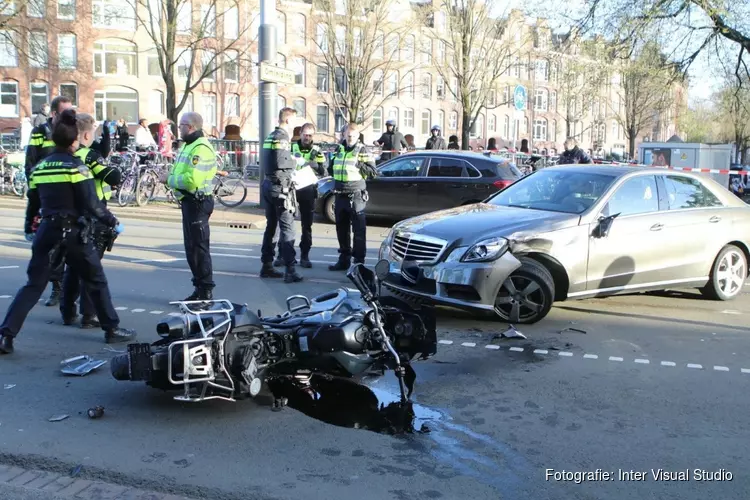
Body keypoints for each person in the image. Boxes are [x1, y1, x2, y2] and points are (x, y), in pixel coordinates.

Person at [0, 109, 136, 355]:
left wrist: (29, 228)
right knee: (95, 279)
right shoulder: (77, 168)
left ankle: (6, 335)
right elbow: (91, 204)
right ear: (75, 141)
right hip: (74, 232)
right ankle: (112, 329)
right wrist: (113, 221)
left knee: (33, 285)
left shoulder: (40, 168)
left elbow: (32, 205)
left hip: (47, 231)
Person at [59, 112, 123, 328]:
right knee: (91, 267)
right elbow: (112, 177)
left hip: (71, 214)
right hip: (94, 214)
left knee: (73, 268)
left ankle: (67, 311)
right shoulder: (88, 155)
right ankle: (89, 315)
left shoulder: (65, 154)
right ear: (85, 135)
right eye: (93, 133)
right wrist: (115, 169)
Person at [161, 112, 217, 301]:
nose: (179, 129)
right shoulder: (190, 146)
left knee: (199, 248)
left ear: (191, 127)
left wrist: (168, 179)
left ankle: (205, 292)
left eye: (182, 125)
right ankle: (199, 289)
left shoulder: (200, 148)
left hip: (198, 202)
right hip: (190, 202)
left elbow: (192, 180)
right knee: (192, 248)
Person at [24, 95, 75, 307]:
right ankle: (56, 286)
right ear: (54, 114)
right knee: (49, 246)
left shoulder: (72, 130)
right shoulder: (39, 133)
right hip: (46, 197)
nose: (70, 116)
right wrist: (37, 191)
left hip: (67, 198)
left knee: (69, 245)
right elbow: (31, 162)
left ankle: (66, 290)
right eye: (66, 113)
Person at [272, 122, 327, 269]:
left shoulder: (317, 150)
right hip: (291, 188)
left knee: (306, 225)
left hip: (308, 189)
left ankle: (304, 256)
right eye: (305, 134)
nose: (307, 137)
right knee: (285, 222)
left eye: (310, 135)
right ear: (300, 133)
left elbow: (323, 170)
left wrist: (308, 162)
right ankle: (282, 255)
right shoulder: (291, 146)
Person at [259, 107, 303, 283]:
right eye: (294, 121)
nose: (295, 125)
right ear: (288, 120)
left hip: (269, 185)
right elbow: (280, 161)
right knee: (287, 228)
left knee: (271, 227)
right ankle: (290, 269)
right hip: (280, 188)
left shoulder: (271, 136)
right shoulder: (282, 137)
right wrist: (296, 161)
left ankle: (267, 265)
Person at [329, 123, 377, 271]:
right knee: (341, 230)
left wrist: (359, 165)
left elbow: (372, 172)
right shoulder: (339, 149)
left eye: (353, 136)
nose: (350, 139)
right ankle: (344, 260)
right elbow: (331, 169)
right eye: (348, 136)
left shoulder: (362, 150)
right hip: (340, 194)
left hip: (356, 195)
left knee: (359, 231)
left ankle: (358, 263)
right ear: (343, 134)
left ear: (357, 136)